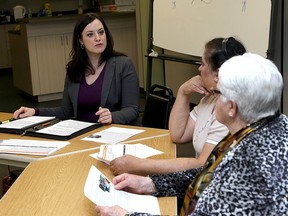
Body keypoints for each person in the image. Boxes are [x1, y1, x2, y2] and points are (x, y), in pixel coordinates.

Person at [95, 53, 288, 215]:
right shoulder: (270, 125)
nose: (213, 94)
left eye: (218, 92)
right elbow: (209, 174)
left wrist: (127, 215)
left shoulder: (250, 167)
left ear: (231, 107)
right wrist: (149, 183)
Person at [109, 37, 246, 176]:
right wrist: (183, 92)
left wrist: (140, 165)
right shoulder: (211, 98)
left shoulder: (229, 112)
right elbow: (178, 134)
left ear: (216, 75)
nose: (199, 68)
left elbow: (202, 165)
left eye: (203, 64)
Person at [13, 13, 140, 125]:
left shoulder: (123, 64)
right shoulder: (74, 69)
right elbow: (66, 111)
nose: (98, 38)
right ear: (80, 40)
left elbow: (132, 109)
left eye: (101, 32)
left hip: (111, 133)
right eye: (90, 34)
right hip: (80, 134)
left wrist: (112, 116)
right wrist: (35, 111)